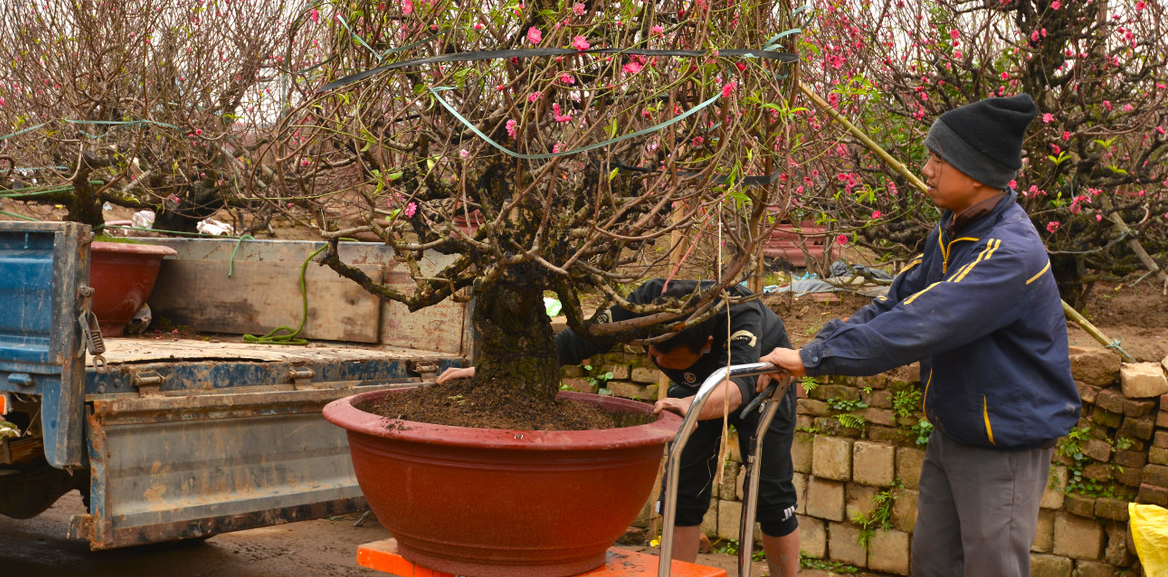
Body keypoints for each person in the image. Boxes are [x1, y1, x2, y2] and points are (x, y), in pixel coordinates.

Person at [761, 93, 1081, 577]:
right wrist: (816, 347)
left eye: (939, 158)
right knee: (932, 563)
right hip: (955, 430)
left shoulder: (1008, 253)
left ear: (976, 172)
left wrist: (816, 359)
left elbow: (921, 323)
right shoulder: (953, 231)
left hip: (1005, 446)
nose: (926, 169)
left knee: (992, 569)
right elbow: (896, 302)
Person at [439, 278, 801, 575]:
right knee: (682, 491)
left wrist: (687, 404)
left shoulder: (738, 312)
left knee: (771, 493)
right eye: (650, 351)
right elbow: (580, 340)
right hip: (694, 391)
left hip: (760, 386)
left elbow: (735, 391)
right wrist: (490, 372)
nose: (655, 361)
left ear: (706, 343)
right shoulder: (645, 302)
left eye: (666, 357)